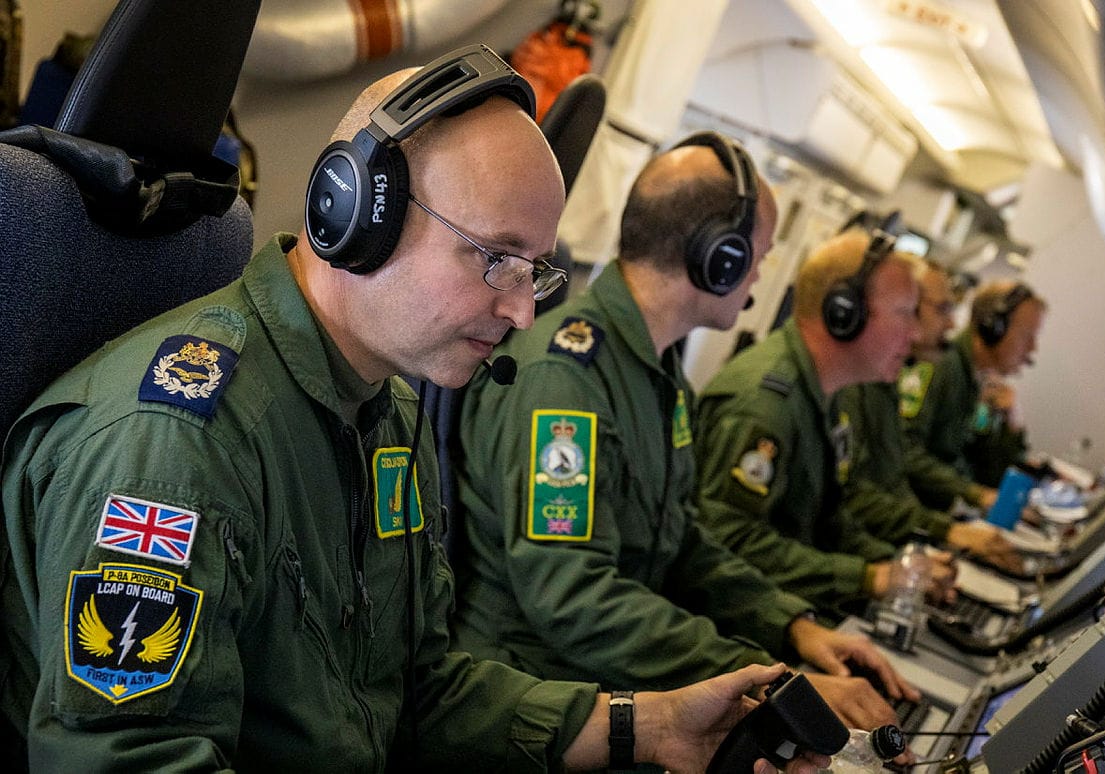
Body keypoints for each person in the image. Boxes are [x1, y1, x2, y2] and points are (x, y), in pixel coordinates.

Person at [0, 51, 830, 773]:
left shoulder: (388, 410)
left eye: (534, 272)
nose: (523, 312)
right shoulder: (176, 446)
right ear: (358, 215)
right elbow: (131, 758)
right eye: (497, 259)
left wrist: (647, 725)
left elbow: (416, 691)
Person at [452, 132, 917, 733]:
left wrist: (790, 625)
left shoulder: (656, 368)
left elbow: (681, 540)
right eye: (758, 255)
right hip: (535, 705)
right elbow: (574, 597)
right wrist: (759, 676)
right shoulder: (564, 381)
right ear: (719, 258)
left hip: (598, 680)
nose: (760, 275)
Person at [694, 227, 956, 618]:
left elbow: (828, 518)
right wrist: (866, 578)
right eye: (905, 313)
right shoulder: (765, 406)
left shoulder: (825, 394)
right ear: (844, 312)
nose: (916, 332)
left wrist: (898, 566)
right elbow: (730, 542)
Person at [836, 259, 1020, 571]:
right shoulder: (857, 384)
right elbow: (851, 500)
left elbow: (889, 482)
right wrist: (941, 531)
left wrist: (929, 543)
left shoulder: (887, 380)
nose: (951, 324)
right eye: (942, 309)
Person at [900, 279, 1047, 507]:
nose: (1032, 349)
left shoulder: (981, 382)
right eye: (1026, 336)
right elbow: (905, 451)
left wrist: (1011, 424)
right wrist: (974, 494)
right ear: (993, 328)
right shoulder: (941, 366)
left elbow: (993, 473)